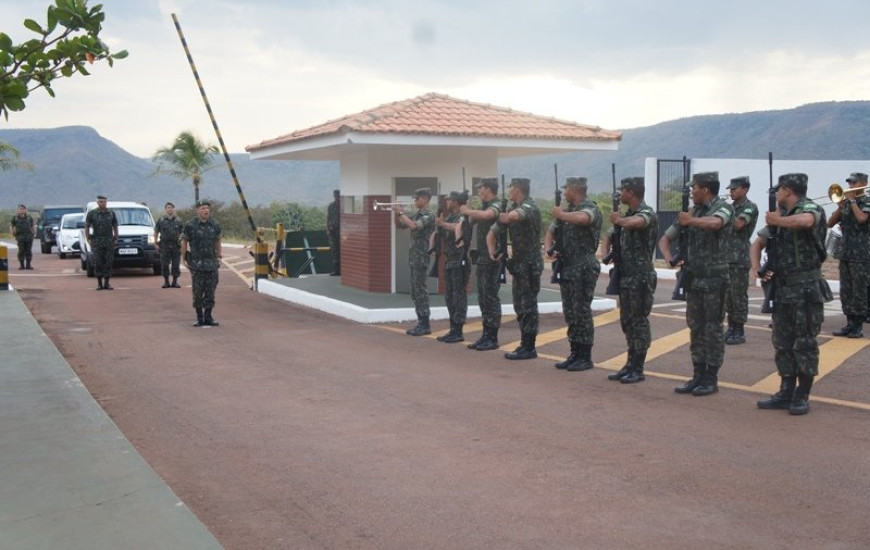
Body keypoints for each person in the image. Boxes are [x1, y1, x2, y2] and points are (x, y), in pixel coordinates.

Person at [753, 173, 833, 415]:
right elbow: (757, 243)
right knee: (782, 342)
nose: (776, 194)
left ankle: (802, 394)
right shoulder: (782, 216)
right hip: (783, 288)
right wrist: (756, 267)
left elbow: (807, 222)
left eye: (779, 190)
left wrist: (778, 221)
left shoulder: (809, 208)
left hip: (806, 288)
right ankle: (786, 390)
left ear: (788, 190)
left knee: (805, 343)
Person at [659, 172, 733, 396]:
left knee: (713, 329)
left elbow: (716, 223)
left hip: (714, 279)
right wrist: (669, 258)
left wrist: (690, 221)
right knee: (696, 328)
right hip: (694, 278)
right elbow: (666, 237)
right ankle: (698, 374)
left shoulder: (723, 207)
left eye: (695, 188)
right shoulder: (693, 212)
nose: (692, 192)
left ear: (706, 189)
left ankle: (711, 377)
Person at [543, 176, 601, 371]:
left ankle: (585, 356)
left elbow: (585, 218)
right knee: (570, 312)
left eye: (566, 189)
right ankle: (574, 352)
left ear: (575, 190)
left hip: (583, 267)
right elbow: (551, 231)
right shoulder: (567, 212)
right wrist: (549, 249)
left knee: (582, 311)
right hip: (567, 267)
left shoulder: (589, 207)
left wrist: (561, 215)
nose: (564, 192)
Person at [607, 177, 659, 384]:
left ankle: (638, 367)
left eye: (623, 191)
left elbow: (639, 222)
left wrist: (619, 220)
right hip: (627, 276)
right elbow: (612, 235)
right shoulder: (627, 215)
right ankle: (630, 363)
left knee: (639, 322)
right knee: (627, 321)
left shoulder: (646, 213)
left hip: (641, 276)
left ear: (632, 192)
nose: (621, 194)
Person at [487, 177, 542, 360]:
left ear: (517, 189)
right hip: (518, 264)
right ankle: (524, 344)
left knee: (528, 306)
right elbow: (493, 231)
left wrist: (505, 217)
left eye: (511, 187)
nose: (509, 190)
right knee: (519, 305)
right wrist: (493, 250)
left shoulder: (529, 206)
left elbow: (514, 216)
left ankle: (529, 346)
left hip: (530, 265)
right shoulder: (511, 208)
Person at [459, 177, 503, 351]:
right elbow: (470, 221)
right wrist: (466, 209)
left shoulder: (497, 205)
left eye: (481, 188)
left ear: (489, 189)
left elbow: (487, 215)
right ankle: (486, 335)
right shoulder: (483, 207)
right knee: (483, 297)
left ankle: (492, 337)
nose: (478, 191)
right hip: (483, 258)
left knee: (491, 296)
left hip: (493, 257)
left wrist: (468, 210)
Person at [827, 172, 870, 338]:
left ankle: (857, 325)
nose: (850, 186)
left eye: (853, 183)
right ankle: (849, 323)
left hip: (860, 253)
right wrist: (840, 206)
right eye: (849, 183)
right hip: (845, 253)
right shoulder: (845, 204)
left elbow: (861, 219)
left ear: (863, 184)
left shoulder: (866, 202)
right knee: (846, 290)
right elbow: (830, 223)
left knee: (859, 289)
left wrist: (852, 201)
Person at [394, 188, 435, 336]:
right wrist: (396, 213)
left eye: (417, 198)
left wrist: (400, 212)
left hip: (421, 256)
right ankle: (421, 321)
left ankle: (425, 323)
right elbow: (400, 226)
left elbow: (413, 226)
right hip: (414, 256)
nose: (415, 201)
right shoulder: (417, 214)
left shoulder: (429, 215)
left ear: (424, 199)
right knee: (415, 290)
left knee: (420, 289)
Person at [724, 176, 759, 345]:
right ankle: (731, 327)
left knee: (738, 296)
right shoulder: (730, 207)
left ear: (744, 189)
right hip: (726, 257)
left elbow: (739, 224)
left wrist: (722, 214)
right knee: (728, 297)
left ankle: (739, 329)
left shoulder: (750, 207)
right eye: (730, 189)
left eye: (734, 189)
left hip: (739, 258)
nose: (731, 192)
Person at [434, 190, 472, 343]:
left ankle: (458, 330)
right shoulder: (449, 216)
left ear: (456, 201)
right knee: (449, 296)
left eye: (449, 200)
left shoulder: (463, 216)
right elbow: (443, 233)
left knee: (458, 296)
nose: (446, 202)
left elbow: (459, 227)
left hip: (460, 260)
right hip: (450, 261)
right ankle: (452, 328)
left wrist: (442, 224)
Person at [181, 200, 222, 327]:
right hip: (197, 264)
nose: (206, 210)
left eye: (208, 208)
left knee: (211, 290)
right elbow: (184, 241)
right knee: (198, 292)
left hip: (211, 263)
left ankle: (208, 316)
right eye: (203, 208)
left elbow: (218, 241)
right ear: (197, 210)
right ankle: (199, 317)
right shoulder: (190, 225)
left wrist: (219, 256)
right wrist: (183, 258)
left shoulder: (215, 224)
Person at [84, 195, 119, 290]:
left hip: (108, 241)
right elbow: (86, 226)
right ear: (97, 202)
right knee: (98, 262)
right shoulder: (92, 213)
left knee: (108, 262)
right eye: (101, 201)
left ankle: (107, 283)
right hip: (97, 241)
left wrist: (116, 237)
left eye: (104, 201)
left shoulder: (111, 213)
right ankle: (99, 283)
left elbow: (115, 225)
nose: (103, 203)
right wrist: (88, 238)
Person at [154, 202, 184, 288]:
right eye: (168, 208)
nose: (170, 209)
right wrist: (155, 243)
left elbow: (182, 233)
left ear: (173, 209)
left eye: (171, 208)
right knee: (165, 264)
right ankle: (166, 281)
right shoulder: (161, 220)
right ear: (165, 209)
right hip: (164, 245)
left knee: (176, 264)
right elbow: (156, 232)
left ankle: (175, 281)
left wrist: (182, 244)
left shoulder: (179, 220)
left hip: (176, 245)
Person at [10, 204, 35, 270]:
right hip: (20, 237)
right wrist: (12, 234)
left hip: (29, 237)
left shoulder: (29, 217)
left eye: (23, 209)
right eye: (21, 209)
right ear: (18, 210)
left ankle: (28, 265)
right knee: (21, 251)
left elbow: (32, 226)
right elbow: (11, 226)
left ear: (25, 210)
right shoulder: (15, 218)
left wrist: (34, 234)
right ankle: (21, 265)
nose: (22, 210)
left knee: (28, 251)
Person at [327, 189, 341, 276]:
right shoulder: (331, 206)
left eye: (337, 195)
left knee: (342, 251)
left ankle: (343, 270)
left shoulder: (343, 205)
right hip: (333, 231)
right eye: (335, 195)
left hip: (341, 231)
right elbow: (328, 218)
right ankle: (336, 271)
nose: (336, 197)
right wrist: (327, 229)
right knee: (335, 251)